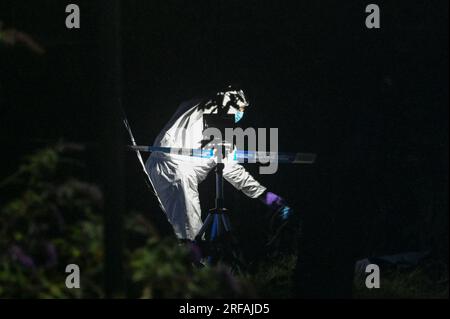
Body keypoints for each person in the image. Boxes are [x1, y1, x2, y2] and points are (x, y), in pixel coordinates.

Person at [146, 86, 292, 241]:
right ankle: (193, 263)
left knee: (172, 228)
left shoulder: (197, 104)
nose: (241, 114)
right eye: (242, 109)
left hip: (159, 167)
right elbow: (230, 167)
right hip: (175, 172)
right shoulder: (218, 113)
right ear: (235, 103)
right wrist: (268, 198)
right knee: (189, 231)